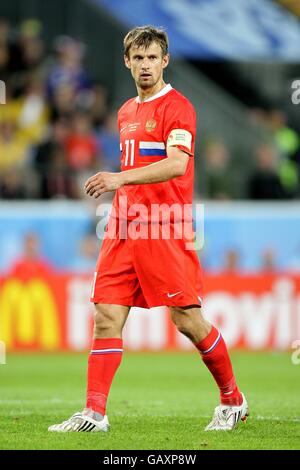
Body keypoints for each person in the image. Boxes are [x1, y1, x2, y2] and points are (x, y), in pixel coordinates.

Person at [48, 26, 248, 434]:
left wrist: (119, 179)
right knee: (105, 315)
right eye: (138, 58)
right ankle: (94, 413)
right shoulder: (125, 112)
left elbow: (177, 164)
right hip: (124, 226)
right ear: (127, 61)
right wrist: (122, 194)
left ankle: (233, 399)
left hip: (165, 226)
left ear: (165, 60)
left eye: (152, 57)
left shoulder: (178, 108)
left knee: (187, 319)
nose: (145, 65)